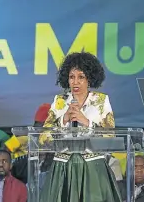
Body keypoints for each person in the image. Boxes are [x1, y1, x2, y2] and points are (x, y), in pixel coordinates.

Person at [40, 52, 122, 202]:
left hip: (92, 167)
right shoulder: (60, 101)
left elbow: (110, 138)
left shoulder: (101, 101)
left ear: (89, 79)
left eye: (81, 77)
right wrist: (63, 119)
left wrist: (87, 122)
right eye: (72, 77)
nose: (75, 82)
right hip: (63, 167)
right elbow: (43, 138)